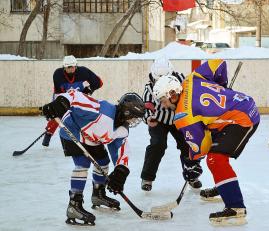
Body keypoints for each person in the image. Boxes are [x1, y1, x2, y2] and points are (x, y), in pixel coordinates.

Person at [152, 59, 260, 225]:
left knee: (215, 159)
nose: (164, 106)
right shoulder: (191, 78)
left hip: (242, 119)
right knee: (217, 152)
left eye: (163, 101)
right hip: (243, 104)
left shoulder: (183, 116)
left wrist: (191, 163)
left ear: (172, 95)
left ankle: (235, 207)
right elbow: (218, 63)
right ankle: (225, 188)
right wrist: (221, 87)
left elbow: (201, 147)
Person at [40, 90, 145, 226]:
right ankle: (74, 205)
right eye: (134, 117)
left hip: (92, 139)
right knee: (82, 164)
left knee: (103, 162)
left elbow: (121, 150)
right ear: (127, 112)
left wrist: (120, 171)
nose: (134, 121)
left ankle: (98, 194)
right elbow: (74, 95)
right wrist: (60, 103)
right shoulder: (102, 110)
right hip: (72, 131)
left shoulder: (122, 129)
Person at [140, 57, 203, 191]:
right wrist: (149, 118)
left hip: (179, 119)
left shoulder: (181, 81)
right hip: (159, 120)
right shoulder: (150, 88)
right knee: (158, 145)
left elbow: (191, 97)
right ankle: (147, 177)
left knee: (187, 144)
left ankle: (191, 175)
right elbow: (147, 106)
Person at [42, 55, 103, 147]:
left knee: (81, 115)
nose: (71, 69)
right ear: (64, 67)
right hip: (62, 96)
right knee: (56, 114)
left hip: (79, 97)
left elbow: (99, 82)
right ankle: (49, 133)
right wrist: (63, 105)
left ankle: (84, 137)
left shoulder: (83, 72)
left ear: (76, 66)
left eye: (72, 67)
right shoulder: (58, 74)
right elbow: (58, 92)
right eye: (68, 67)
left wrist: (88, 90)